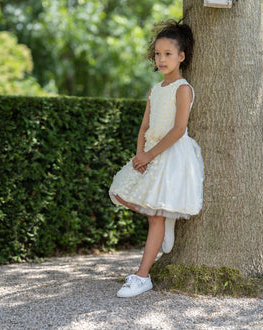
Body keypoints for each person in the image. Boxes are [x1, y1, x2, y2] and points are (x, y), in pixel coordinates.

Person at [108, 19, 204, 298]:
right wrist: (140, 154)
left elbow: (178, 129)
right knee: (120, 191)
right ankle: (166, 219)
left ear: (181, 57)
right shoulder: (155, 89)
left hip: (170, 155)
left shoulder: (183, 88)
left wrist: (150, 154)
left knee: (154, 215)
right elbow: (144, 126)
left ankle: (142, 276)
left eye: (168, 54)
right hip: (148, 153)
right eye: (158, 54)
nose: (161, 59)